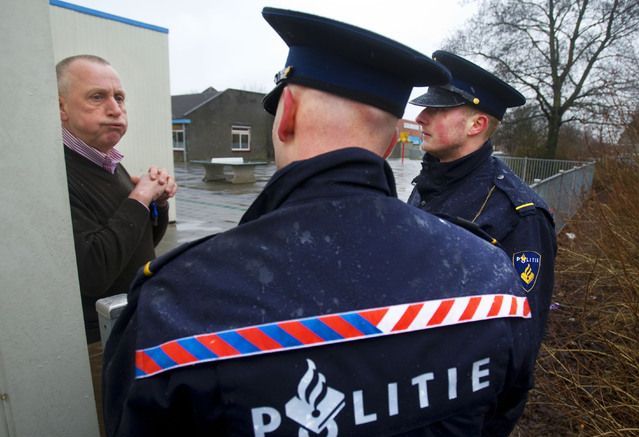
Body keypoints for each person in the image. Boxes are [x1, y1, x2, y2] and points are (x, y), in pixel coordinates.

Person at [103, 8, 536, 436]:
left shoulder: (178, 304)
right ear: (388, 144)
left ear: (286, 112)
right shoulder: (493, 277)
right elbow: (499, 413)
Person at [407, 50, 557, 348]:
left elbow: (522, 332)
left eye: (436, 110)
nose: (420, 117)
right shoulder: (429, 183)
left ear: (476, 125)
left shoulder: (520, 215)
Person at [57, 54, 177, 344]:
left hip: (134, 323)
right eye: (97, 97)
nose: (115, 109)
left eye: (119, 98)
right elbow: (94, 270)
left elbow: (143, 239)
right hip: (99, 341)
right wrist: (139, 196)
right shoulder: (56, 173)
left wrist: (156, 201)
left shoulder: (107, 161)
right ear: (61, 107)